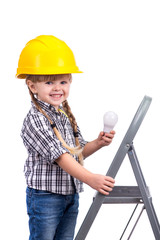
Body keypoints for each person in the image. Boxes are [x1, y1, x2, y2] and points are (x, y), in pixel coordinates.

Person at [16, 35, 115, 240]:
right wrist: (90, 179)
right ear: (33, 86)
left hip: (70, 195)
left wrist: (97, 143)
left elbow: (75, 153)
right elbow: (61, 156)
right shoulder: (36, 120)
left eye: (63, 81)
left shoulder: (63, 115)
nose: (57, 88)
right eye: (49, 82)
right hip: (46, 197)